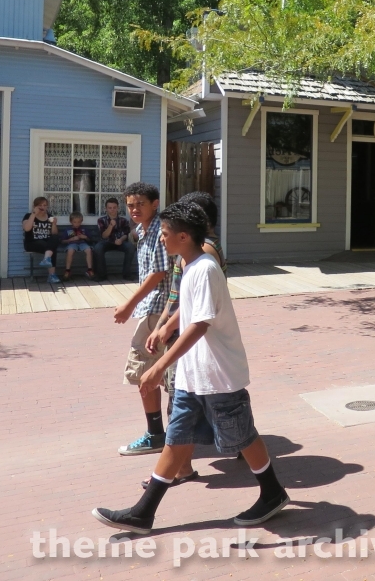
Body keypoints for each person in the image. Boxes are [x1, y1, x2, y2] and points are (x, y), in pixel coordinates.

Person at [92, 201, 290, 534]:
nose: (161, 240)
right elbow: (189, 307)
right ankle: (143, 512)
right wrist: (166, 327)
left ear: (184, 236)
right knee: (177, 439)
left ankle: (272, 493)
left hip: (218, 375)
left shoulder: (206, 268)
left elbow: (200, 325)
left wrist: (158, 368)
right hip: (192, 375)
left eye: (166, 235)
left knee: (242, 436)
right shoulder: (190, 265)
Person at [143, 192, 225, 489]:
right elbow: (178, 296)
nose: (164, 237)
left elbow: (200, 312)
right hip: (185, 334)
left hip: (199, 341)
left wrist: (164, 347)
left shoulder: (204, 256)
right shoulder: (189, 255)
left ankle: (181, 468)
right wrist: (163, 325)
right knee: (193, 402)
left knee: (195, 403)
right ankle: (181, 469)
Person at [115, 182, 172, 456]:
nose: (135, 209)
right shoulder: (142, 230)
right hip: (154, 308)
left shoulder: (160, 231)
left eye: (140, 204)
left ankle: (155, 434)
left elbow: (159, 272)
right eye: (130, 205)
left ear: (155, 204)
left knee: (142, 372)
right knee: (160, 373)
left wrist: (129, 304)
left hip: (158, 310)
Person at [94, 197, 136, 281]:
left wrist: (121, 240)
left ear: (118, 208)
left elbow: (126, 233)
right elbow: (104, 236)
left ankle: (126, 274)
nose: (112, 210)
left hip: (120, 242)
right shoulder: (101, 220)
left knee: (130, 247)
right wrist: (110, 226)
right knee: (98, 248)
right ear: (106, 209)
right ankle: (102, 275)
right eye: (110, 208)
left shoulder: (123, 220)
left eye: (114, 207)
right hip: (107, 242)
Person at [22, 196, 61, 283]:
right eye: (40, 205)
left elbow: (54, 233)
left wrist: (54, 224)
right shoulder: (28, 216)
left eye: (45, 205)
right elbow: (27, 228)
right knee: (50, 248)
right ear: (35, 206)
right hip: (32, 242)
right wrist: (33, 214)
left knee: (54, 240)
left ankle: (46, 259)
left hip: (46, 242)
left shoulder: (49, 216)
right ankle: (51, 275)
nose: (43, 207)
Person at [60, 211, 95, 281]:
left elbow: (90, 240)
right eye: (75, 222)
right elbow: (62, 241)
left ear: (81, 222)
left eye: (79, 222)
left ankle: (89, 270)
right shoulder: (68, 230)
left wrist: (85, 237)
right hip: (72, 243)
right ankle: (67, 270)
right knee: (70, 251)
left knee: (88, 250)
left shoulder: (84, 229)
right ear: (71, 222)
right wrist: (71, 239)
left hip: (82, 243)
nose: (77, 224)